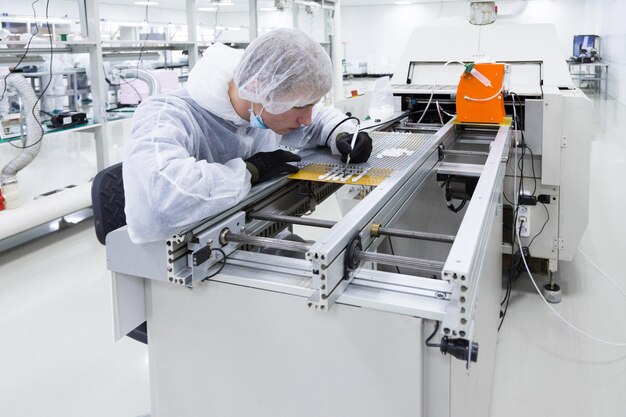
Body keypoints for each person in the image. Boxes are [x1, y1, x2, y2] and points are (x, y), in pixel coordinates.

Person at [123, 28, 373, 244]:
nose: (306, 118)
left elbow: (316, 121)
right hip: (185, 260)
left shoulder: (262, 104)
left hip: (256, 231)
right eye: (299, 107)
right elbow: (163, 198)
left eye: (311, 105)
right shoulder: (165, 115)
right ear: (259, 90)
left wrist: (342, 133)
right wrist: (250, 171)